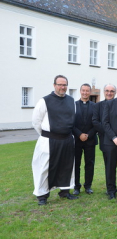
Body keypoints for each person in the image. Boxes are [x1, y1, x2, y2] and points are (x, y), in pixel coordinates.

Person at [32, 75, 78, 205]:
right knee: (45, 167)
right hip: (49, 141)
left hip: (67, 140)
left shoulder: (70, 100)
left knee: (67, 166)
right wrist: (47, 135)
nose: (62, 87)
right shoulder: (44, 101)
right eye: (60, 84)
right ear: (54, 85)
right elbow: (36, 121)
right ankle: (42, 195)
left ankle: (65, 192)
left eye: (65, 85)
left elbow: (72, 119)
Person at [72, 83, 97, 195]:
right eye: (83, 90)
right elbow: (71, 123)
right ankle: (76, 186)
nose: (85, 92)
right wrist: (79, 134)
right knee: (76, 164)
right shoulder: (74, 105)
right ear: (80, 91)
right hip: (77, 140)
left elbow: (96, 123)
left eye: (87, 91)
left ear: (90, 92)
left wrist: (88, 135)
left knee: (89, 163)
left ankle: (88, 186)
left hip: (90, 139)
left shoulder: (95, 106)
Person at [92, 83, 116, 192]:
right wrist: (109, 133)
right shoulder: (97, 106)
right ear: (104, 92)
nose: (109, 93)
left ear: (115, 93)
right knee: (109, 165)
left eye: (112, 91)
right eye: (107, 91)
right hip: (105, 140)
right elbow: (95, 122)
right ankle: (110, 187)